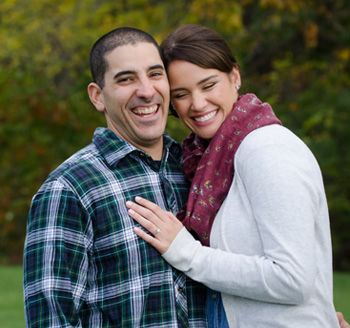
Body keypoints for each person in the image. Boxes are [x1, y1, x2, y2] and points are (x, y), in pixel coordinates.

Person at [126, 24, 346, 327]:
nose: (198, 103)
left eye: (208, 85)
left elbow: (293, 279)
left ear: (235, 76)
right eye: (181, 94)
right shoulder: (207, 159)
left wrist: (188, 254)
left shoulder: (265, 149)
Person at [23, 27, 207, 327]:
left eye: (155, 74)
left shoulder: (196, 170)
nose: (146, 91)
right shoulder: (70, 188)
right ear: (98, 96)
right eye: (126, 79)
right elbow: (51, 320)